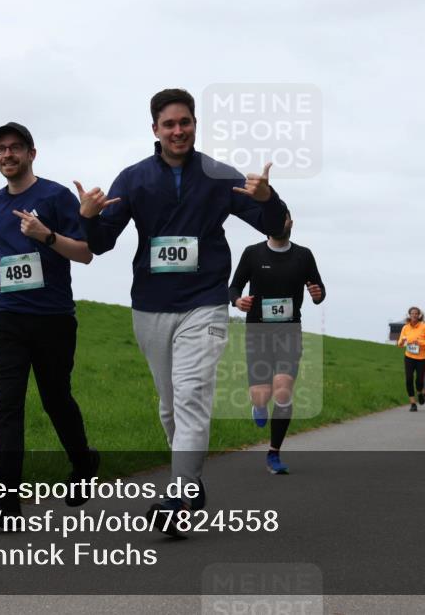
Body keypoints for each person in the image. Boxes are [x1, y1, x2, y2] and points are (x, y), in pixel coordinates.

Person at [75, 89, 288, 528]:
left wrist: (269, 199)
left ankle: (180, 498)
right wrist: (89, 216)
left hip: (205, 303)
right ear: (155, 129)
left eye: (185, 122)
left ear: (195, 124)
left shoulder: (217, 175)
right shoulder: (133, 179)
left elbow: (277, 228)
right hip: (150, 307)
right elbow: (99, 244)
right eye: (169, 124)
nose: (178, 130)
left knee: (191, 395)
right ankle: (189, 482)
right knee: (170, 405)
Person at [0, 122, 99, 520]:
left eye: (15, 148)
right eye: (0, 149)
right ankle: (6, 499)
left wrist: (46, 235)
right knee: (7, 404)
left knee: (56, 399)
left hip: (53, 318)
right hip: (5, 316)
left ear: (31, 153)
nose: (7, 155)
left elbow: (85, 254)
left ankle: (83, 462)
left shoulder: (55, 196)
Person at [228, 211, 325, 474]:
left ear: (290, 223)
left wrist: (317, 294)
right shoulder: (252, 253)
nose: (280, 223)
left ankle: (274, 453)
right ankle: (258, 405)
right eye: (275, 219)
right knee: (262, 394)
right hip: (258, 333)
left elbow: (319, 290)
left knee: (282, 391)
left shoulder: (303, 255)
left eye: (284, 218)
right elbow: (234, 287)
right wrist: (238, 301)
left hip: (289, 332)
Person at [396, 307, 425, 412]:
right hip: (409, 357)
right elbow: (400, 343)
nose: (414, 315)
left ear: (419, 315)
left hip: (422, 358)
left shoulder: (424, 327)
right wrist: (402, 341)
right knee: (408, 379)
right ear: (409, 315)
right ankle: (413, 403)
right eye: (412, 313)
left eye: (416, 313)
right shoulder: (405, 328)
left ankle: (420, 393)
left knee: (419, 381)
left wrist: (420, 342)